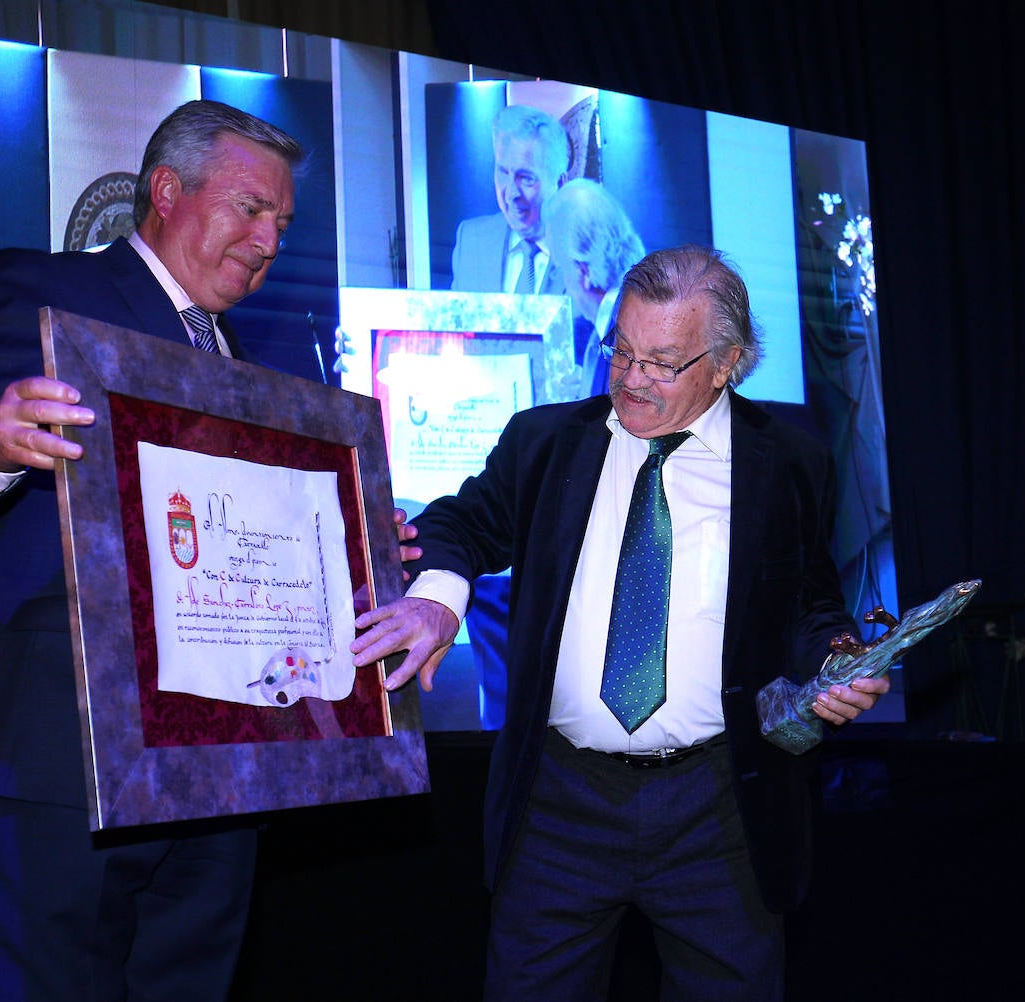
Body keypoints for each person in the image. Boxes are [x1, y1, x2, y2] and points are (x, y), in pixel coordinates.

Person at [0, 100, 416, 1001]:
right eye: (250, 208)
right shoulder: (40, 290)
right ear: (166, 190)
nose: (270, 238)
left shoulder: (256, 358)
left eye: (282, 222)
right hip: (60, 753)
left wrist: (357, 546)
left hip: (221, 761)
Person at [350, 245, 889, 1001]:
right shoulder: (545, 443)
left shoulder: (791, 460)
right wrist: (438, 597)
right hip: (559, 804)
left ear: (728, 361)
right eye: (622, 351)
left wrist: (835, 653)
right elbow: (460, 525)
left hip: (721, 805)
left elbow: (808, 597)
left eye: (663, 362)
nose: (633, 379)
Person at [450, 103, 571, 296]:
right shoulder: (472, 241)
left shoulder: (592, 255)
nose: (511, 193)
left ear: (560, 184)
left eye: (526, 178)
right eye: (503, 172)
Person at [541, 177, 647, 397]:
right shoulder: (625, 322)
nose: (564, 286)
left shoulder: (625, 340)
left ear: (584, 271)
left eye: (561, 268)